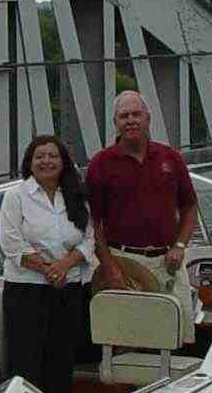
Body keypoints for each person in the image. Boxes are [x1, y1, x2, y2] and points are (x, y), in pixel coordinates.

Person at [0, 133, 95, 393]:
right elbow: (12, 244)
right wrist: (50, 271)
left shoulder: (76, 195)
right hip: (26, 290)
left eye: (53, 156)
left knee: (61, 356)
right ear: (29, 163)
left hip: (69, 288)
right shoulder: (15, 196)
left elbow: (89, 240)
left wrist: (64, 266)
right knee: (26, 359)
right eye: (39, 156)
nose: (46, 161)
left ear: (63, 162)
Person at [85, 91, 198, 302]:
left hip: (169, 261)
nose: (131, 121)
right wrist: (109, 267)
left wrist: (180, 246)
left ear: (148, 118)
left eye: (136, 114)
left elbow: (190, 207)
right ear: (115, 122)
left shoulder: (171, 158)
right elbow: (93, 223)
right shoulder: (100, 164)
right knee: (129, 333)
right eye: (124, 116)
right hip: (124, 262)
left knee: (181, 329)